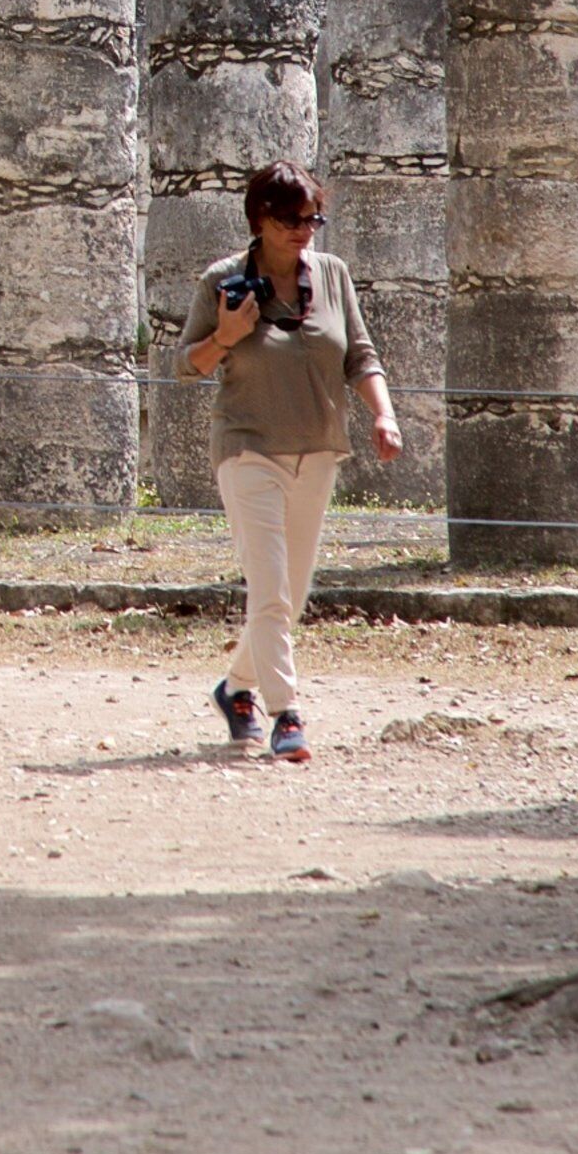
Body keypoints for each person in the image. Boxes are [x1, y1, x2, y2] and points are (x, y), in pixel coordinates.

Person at [175, 160, 404, 763]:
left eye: (313, 218)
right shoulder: (221, 280)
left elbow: (360, 354)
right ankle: (287, 716)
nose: (305, 229)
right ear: (259, 218)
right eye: (291, 219)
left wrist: (385, 414)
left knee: (289, 597)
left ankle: (235, 689)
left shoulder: (331, 274)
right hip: (248, 448)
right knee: (270, 589)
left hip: (318, 448)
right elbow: (185, 365)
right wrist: (226, 333)